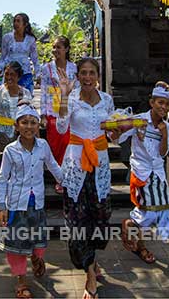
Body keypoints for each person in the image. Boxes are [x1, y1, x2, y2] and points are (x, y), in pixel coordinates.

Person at [56, 57, 115, 299]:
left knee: (100, 217)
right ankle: (89, 273)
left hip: (99, 164)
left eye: (92, 73)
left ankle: (92, 258)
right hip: (76, 165)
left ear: (98, 76)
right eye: (83, 73)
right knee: (77, 222)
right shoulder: (70, 99)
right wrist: (62, 96)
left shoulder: (108, 100)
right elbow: (60, 128)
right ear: (77, 76)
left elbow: (113, 134)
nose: (88, 77)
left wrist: (117, 130)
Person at [0, 103, 63, 299]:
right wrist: (2, 206)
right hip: (17, 204)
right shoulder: (10, 150)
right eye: (24, 122)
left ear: (38, 126)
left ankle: (36, 258)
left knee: (39, 241)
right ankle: (21, 280)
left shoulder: (43, 146)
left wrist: (69, 183)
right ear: (16, 126)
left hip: (37, 204)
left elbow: (53, 166)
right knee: (16, 245)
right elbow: (2, 179)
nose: (29, 126)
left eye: (33, 122)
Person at [118, 81, 169, 264]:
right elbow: (117, 135)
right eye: (160, 103)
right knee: (146, 212)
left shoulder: (166, 126)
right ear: (151, 102)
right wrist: (123, 127)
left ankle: (135, 235)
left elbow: (163, 153)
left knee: (161, 211)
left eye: (167, 104)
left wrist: (163, 135)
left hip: (158, 175)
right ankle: (134, 235)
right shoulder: (139, 119)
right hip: (141, 173)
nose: (164, 107)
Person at [40, 36, 78, 194]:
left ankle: (69, 176)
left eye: (59, 47)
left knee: (68, 145)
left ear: (67, 49)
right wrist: (42, 114)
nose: (56, 51)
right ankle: (59, 178)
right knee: (55, 146)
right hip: (52, 110)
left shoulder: (74, 68)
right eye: (54, 47)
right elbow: (43, 91)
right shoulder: (46, 68)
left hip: (70, 109)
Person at [0, 13, 40, 92]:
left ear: (25, 24)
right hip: (10, 73)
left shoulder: (31, 39)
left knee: (25, 98)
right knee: (9, 98)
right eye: (14, 21)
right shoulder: (7, 37)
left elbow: (35, 58)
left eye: (18, 21)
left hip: (25, 73)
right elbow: (3, 56)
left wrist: (38, 74)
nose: (15, 23)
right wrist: (0, 68)